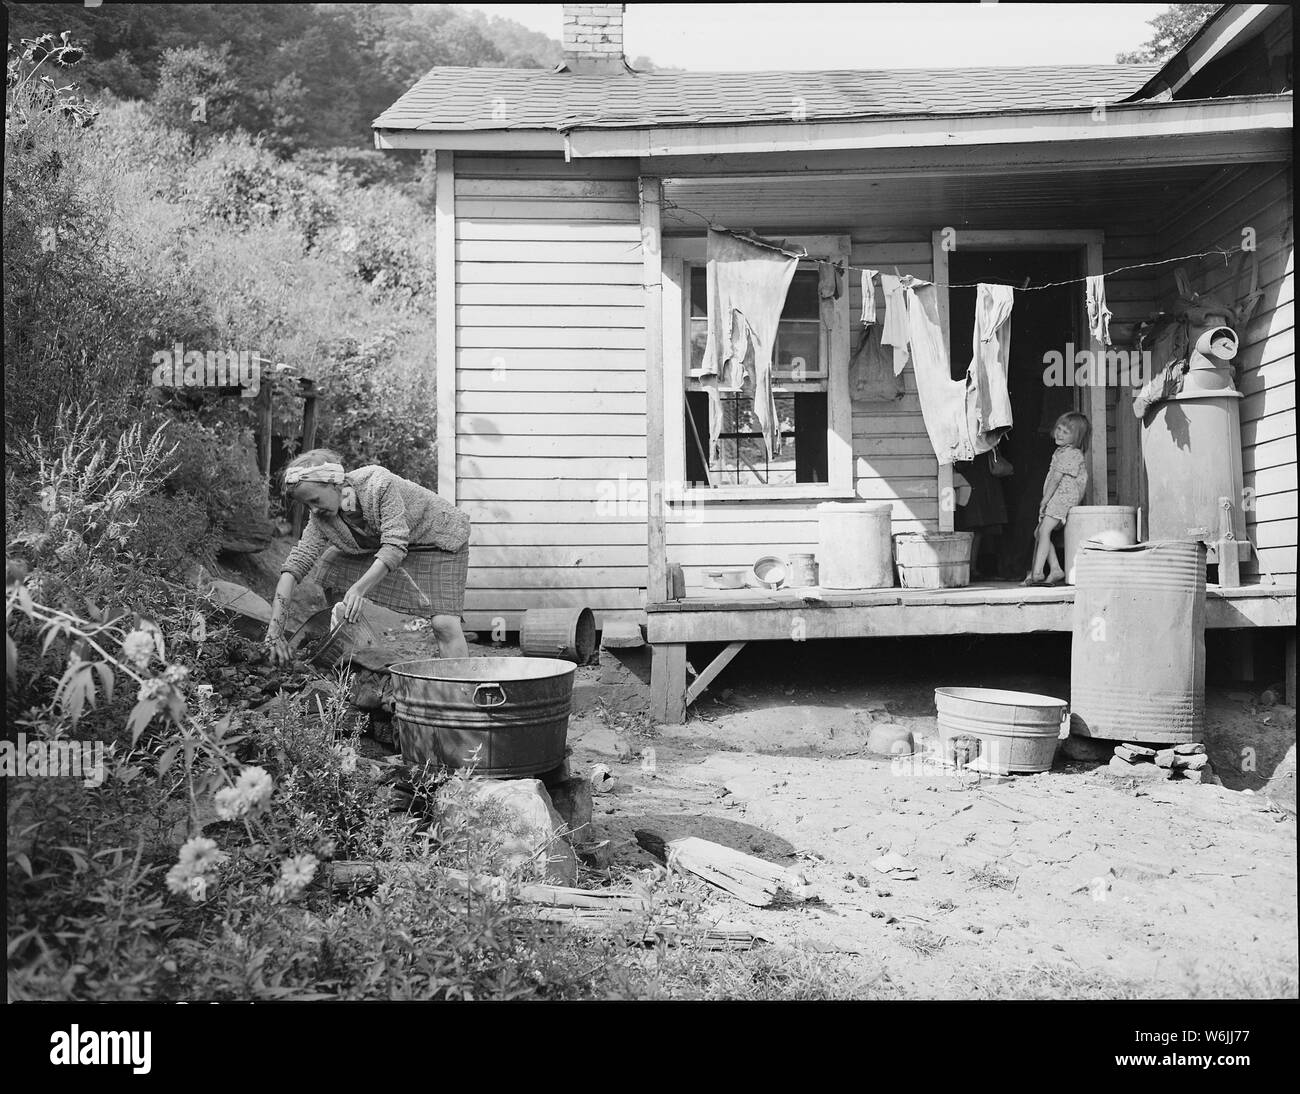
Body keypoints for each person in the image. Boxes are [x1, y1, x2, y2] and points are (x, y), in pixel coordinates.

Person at [264, 450, 471, 664]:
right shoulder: (321, 519)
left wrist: (358, 589)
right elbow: (294, 566)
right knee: (331, 563)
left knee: (444, 625)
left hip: (440, 540)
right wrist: (275, 631)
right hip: (396, 546)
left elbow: (394, 545)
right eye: (307, 505)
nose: (313, 510)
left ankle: (461, 690)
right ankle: (353, 642)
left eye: (315, 500)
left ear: (335, 483)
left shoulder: (377, 483)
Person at [1022, 412, 1090, 587]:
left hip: (1062, 497)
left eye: (1065, 432)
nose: (1059, 433)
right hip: (1058, 497)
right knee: (1039, 532)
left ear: (1076, 437)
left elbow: (1056, 479)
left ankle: (1037, 573)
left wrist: (1044, 500)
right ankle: (1055, 568)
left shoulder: (1071, 453)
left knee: (1044, 532)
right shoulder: (1061, 451)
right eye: (1059, 429)